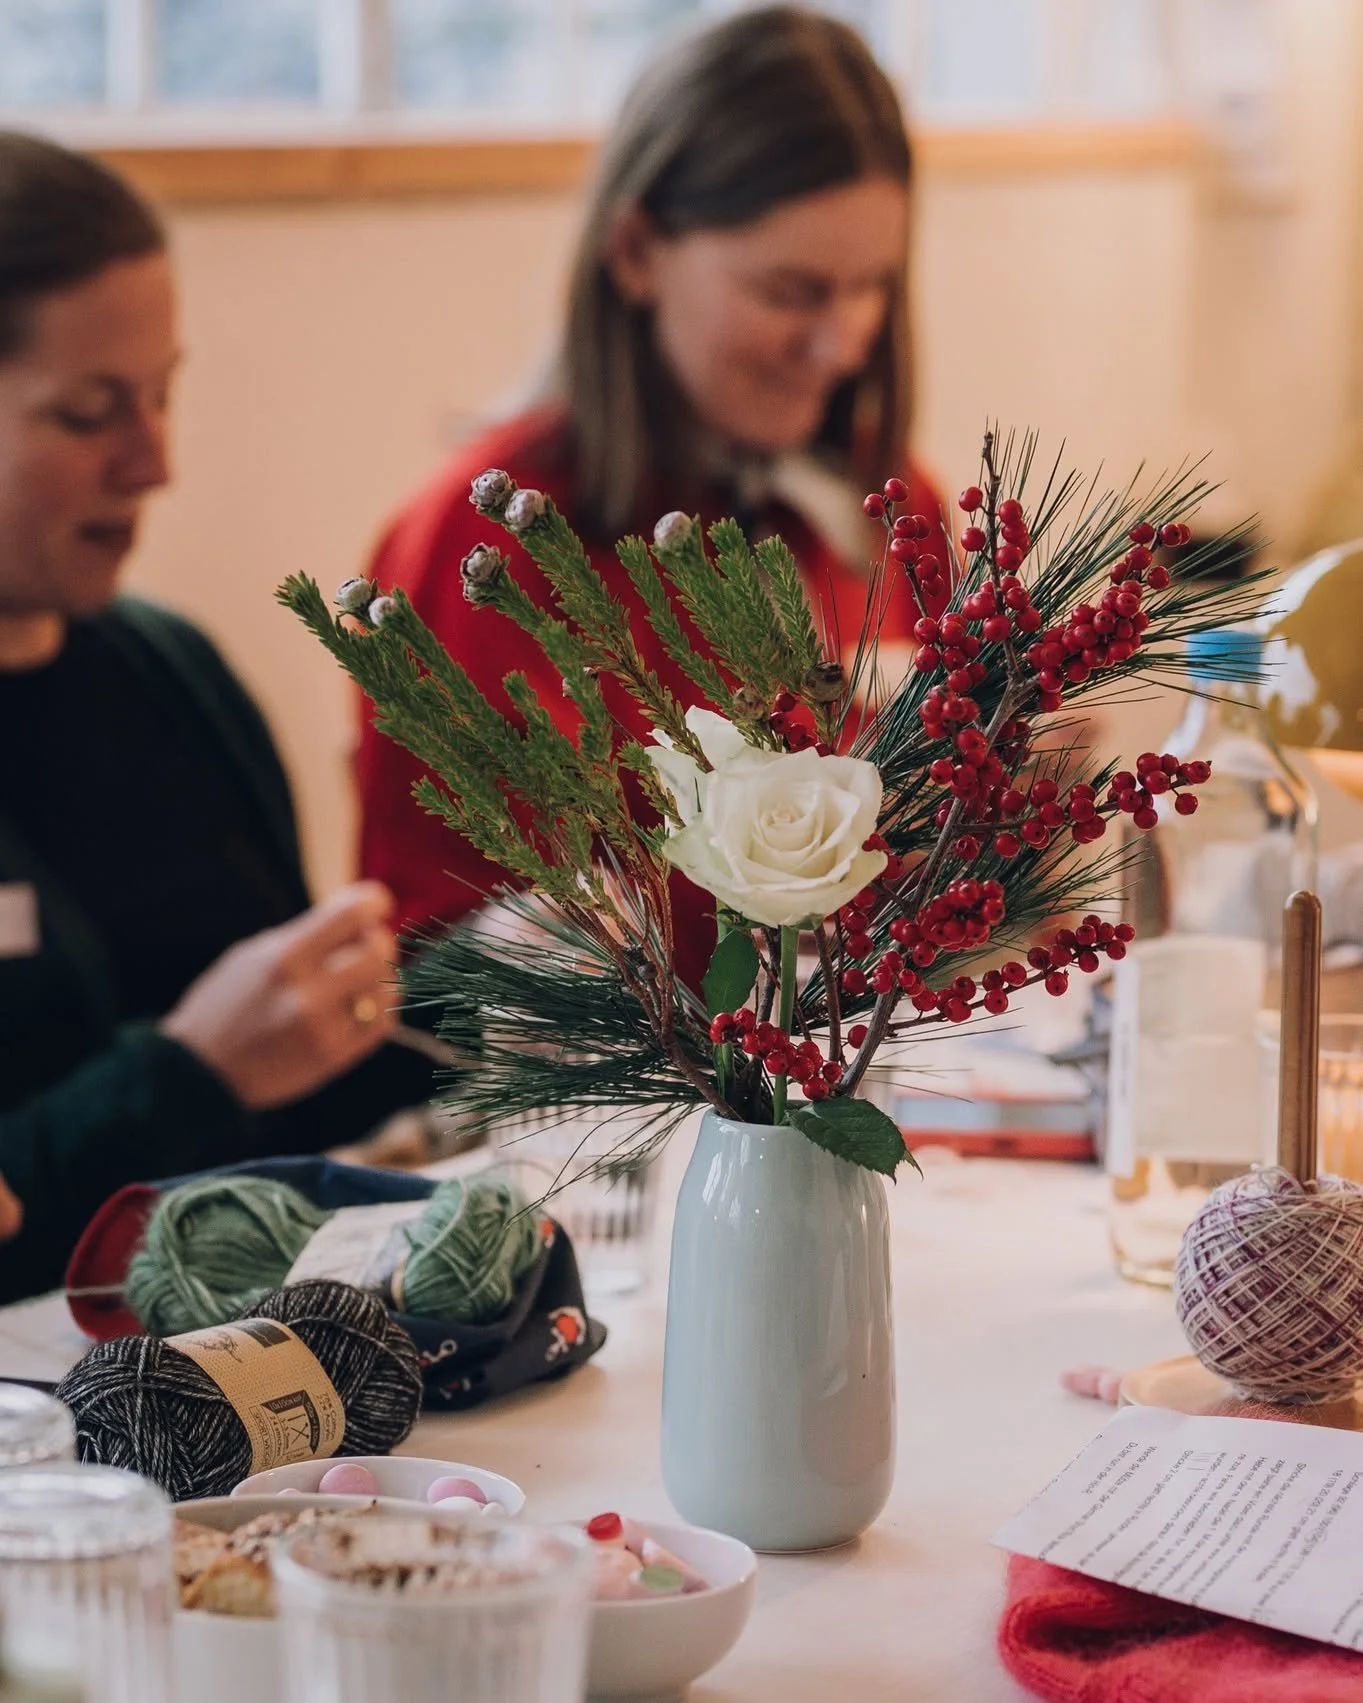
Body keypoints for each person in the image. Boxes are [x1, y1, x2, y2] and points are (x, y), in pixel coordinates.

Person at [357, 5, 954, 966]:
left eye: (869, 286)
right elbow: (433, 960)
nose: (841, 344)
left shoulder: (891, 505)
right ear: (635, 253)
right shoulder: (486, 549)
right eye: (790, 291)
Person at [0, 132, 433, 1301]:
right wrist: (189, 1069)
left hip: (242, 1348)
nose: (155, 462)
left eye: (162, 395)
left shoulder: (170, 667)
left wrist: (492, 987)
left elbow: (298, 1082)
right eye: (91, 413)